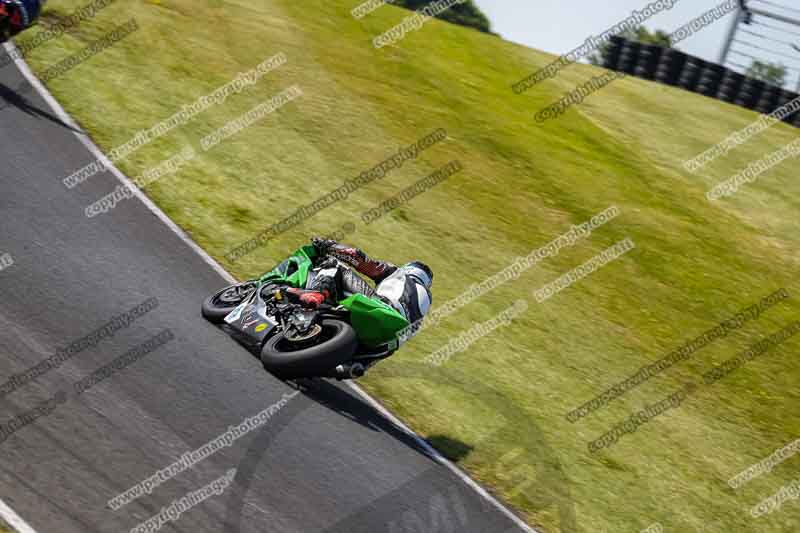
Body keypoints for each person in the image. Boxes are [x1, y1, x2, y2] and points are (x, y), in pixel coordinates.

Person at [289, 238, 433, 339]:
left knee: (334, 265)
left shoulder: (400, 274)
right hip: (386, 341)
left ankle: (317, 295)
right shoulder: (422, 312)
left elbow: (358, 259)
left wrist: (328, 246)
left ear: (409, 270)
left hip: (382, 307)